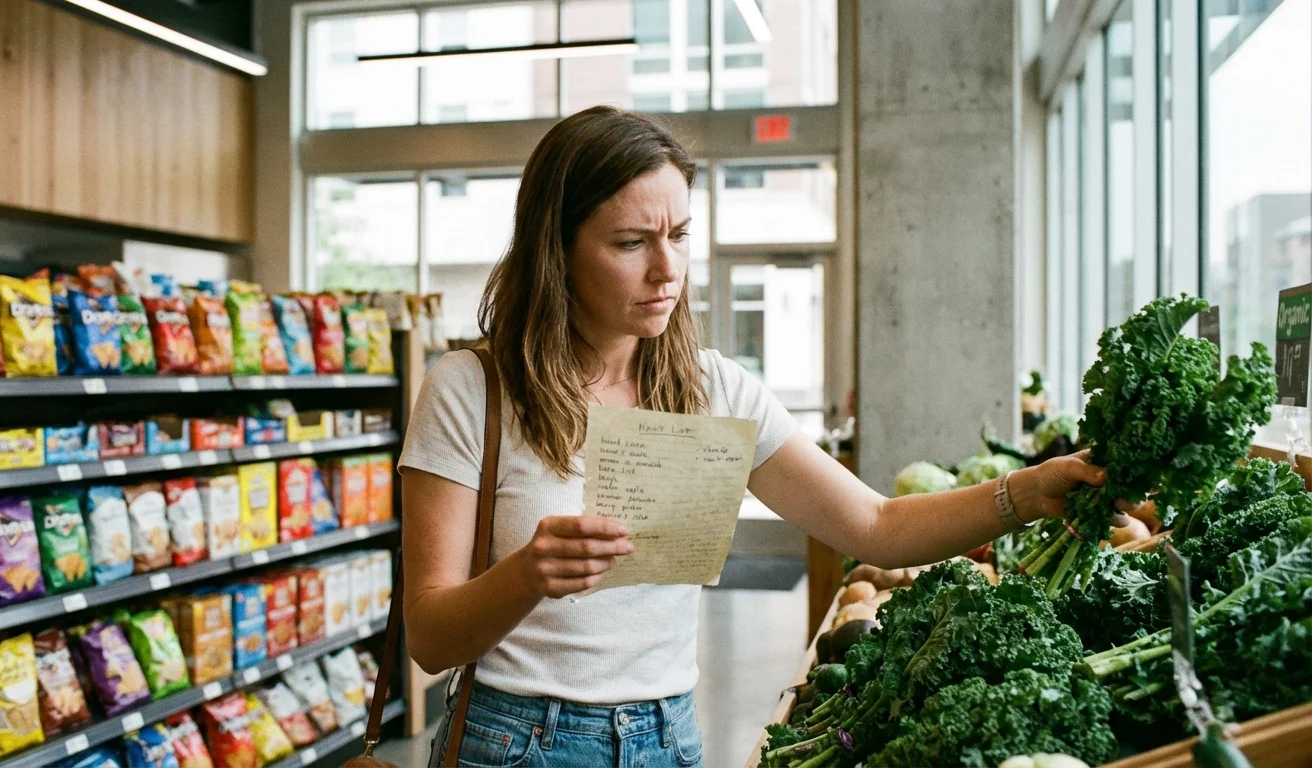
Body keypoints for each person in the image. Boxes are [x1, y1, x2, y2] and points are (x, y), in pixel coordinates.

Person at [398, 106, 1127, 768]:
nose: (668, 269)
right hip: (519, 740)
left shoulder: (715, 389)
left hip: (669, 736)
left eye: (680, 236)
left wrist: (1028, 492)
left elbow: (875, 525)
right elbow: (429, 638)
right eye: (630, 242)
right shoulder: (471, 389)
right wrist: (526, 574)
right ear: (556, 249)